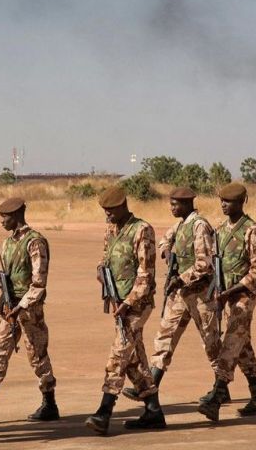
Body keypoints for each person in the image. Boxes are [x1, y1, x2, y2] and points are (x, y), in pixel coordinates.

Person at [0, 197, 59, 424]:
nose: (1, 221)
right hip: (9, 307)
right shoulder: (7, 243)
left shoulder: (34, 242)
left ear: (17, 215)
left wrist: (21, 306)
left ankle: (49, 403)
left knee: (37, 355)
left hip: (29, 309)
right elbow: (8, 276)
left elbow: (39, 283)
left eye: (5, 217)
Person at [123, 187, 219, 401]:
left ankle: (221, 387)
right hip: (180, 294)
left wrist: (180, 278)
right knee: (164, 338)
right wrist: (167, 252)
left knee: (211, 342)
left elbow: (204, 264)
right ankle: (150, 387)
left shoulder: (199, 225)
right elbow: (164, 240)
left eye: (175, 204)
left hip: (201, 294)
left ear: (186, 204)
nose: (171, 208)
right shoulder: (180, 225)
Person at [85, 186, 166, 435]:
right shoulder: (111, 229)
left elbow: (146, 274)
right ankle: (153, 410)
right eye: (104, 210)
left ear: (123, 206)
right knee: (134, 360)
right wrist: (100, 271)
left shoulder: (142, 230)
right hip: (118, 302)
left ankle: (104, 411)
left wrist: (128, 302)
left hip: (137, 304)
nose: (107, 214)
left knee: (119, 354)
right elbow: (105, 258)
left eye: (110, 209)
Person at [197, 183, 256, 422]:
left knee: (231, 341)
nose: (224, 205)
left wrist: (232, 290)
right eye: (222, 201)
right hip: (225, 296)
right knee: (242, 344)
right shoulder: (219, 231)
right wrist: (217, 290)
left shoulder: (252, 231)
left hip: (244, 296)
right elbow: (215, 264)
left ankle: (218, 393)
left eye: (229, 202)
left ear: (241, 202)